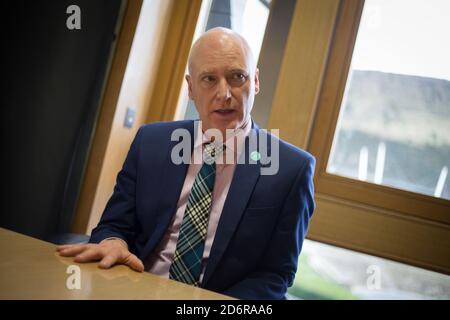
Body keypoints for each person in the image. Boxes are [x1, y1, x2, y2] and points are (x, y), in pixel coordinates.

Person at [57, 27, 315, 300]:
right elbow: (115, 224)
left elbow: (276, 274)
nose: (224, 93)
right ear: (191, 88)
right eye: (209, 79)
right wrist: (113, 243)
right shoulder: (152, 142)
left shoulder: (291, 169)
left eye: (237, 77)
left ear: (256, 81)